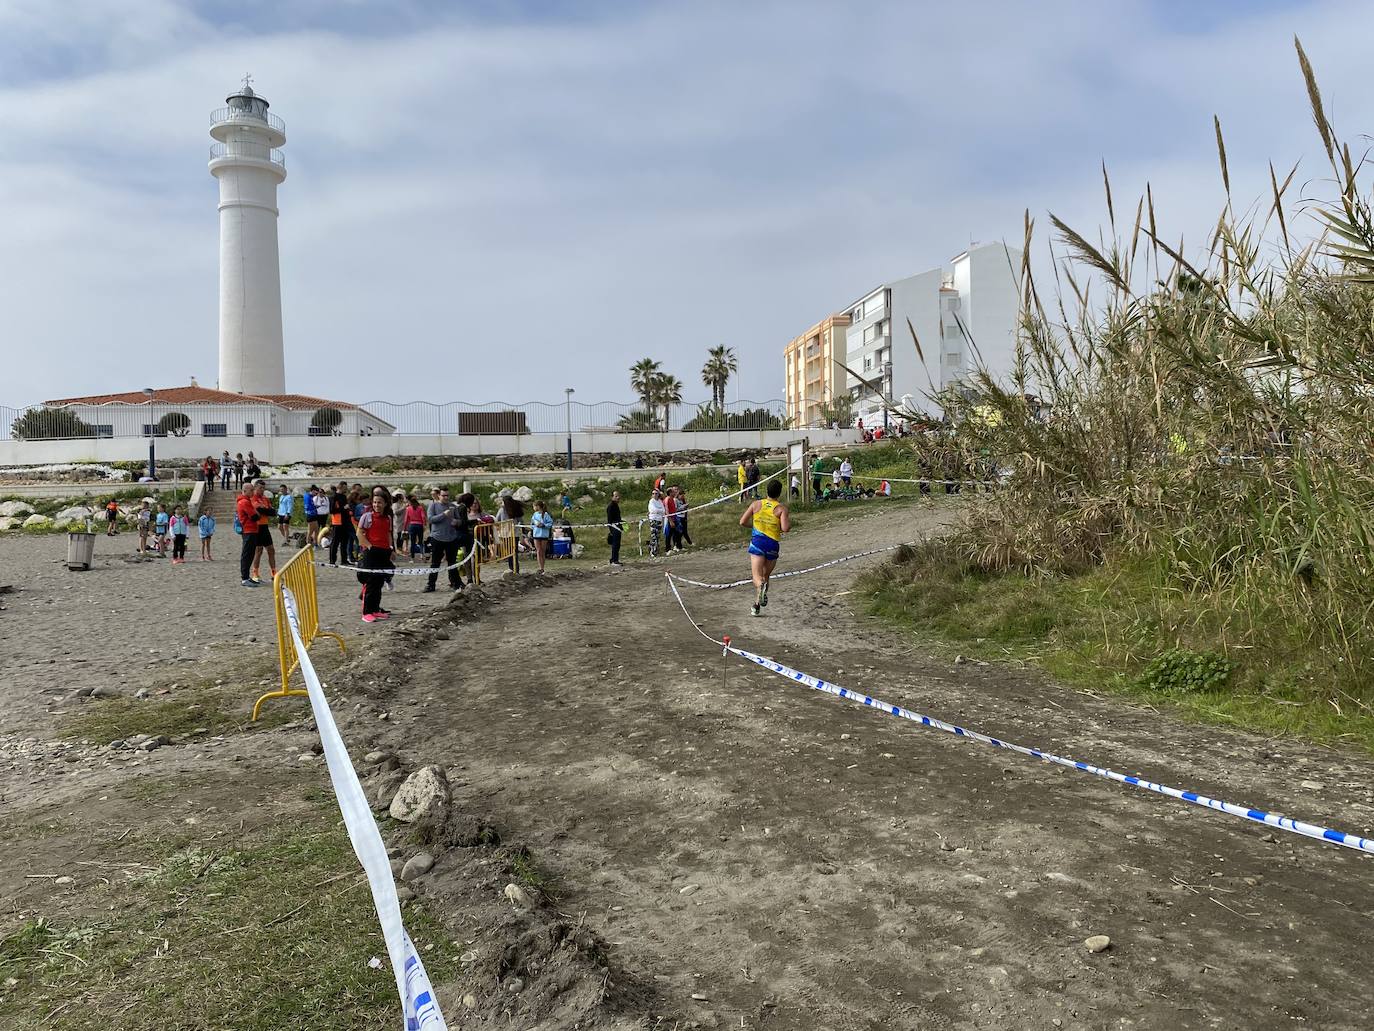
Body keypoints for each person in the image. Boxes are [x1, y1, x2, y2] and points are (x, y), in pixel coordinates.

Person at [739, 479, 791, 617]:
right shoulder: (781, 509)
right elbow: (785, 529)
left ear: (766, 490)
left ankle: (760, 589)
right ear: (779, 493)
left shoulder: (756, 504)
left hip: (758, 542)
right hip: (772, 544)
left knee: (757, 576)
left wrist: (754, 526)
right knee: (766, 575)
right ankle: (756, 605)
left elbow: (742, 521)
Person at [356, 487, 394, 622]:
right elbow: (359, 533)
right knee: (371, 583)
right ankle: (366, 612)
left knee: (379, 582)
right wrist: (369, 546)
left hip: (384, 552)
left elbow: (388, 533)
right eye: (375, 502)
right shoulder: (367, 517)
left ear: (385, 504)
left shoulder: (388, 518)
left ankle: (375, 609)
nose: (377, 505)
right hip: (371, 553)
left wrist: (391, 548)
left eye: (379, 502)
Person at [425, 487, 465, 593]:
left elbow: (460, 520)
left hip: (451, 538)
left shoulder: (453, 506)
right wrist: (443, 515)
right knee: (435, 563)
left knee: (452, 562)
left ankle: (455, 583)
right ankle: (431, 584)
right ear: (439, 495)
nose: (446, 497)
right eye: (444, 495)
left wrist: (456, 522)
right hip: (437, 538)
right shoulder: (433, 505)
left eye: (447, 495)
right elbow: (430, 519)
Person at [236, 484, 262, 587]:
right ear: (245, 490)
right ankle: (244, 578)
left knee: (250, 554)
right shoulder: (245, 502)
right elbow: (255, 516)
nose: (253, 492)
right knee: (247, 554)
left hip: (251, 530)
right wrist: (257, 512)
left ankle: (246, 577)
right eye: (251, 490)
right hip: (248, 530)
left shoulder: (246, 501)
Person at [530, 500, 554, 573]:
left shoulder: (546, 514)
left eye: (534, 506)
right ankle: (540, 567)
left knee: (542, 551)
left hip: (544, 535)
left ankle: (542, 567)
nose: (533, 508)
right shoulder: (534, 514)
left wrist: (543, 525)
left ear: (538, 506)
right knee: (538, 551)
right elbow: (531, 524)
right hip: (536, 534)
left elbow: (550, 523)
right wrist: (535, 526)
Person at [647, 488, 666, 557]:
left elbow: (663, 510)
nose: (654, 495)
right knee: (653, 536)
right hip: (653, 520)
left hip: (659, 520)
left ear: (658, 494)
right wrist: (659, 510)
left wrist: (658, 511)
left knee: (658, 536)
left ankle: (656, 550)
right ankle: (652, 551)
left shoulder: (660, 501)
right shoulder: (651, 501)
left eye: (656, 493)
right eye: (653, 494)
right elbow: (653, 510)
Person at [606, 491, 623, 565]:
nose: (618, 497)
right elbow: (609, 520)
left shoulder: (616, 505)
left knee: (617, 544)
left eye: (618, 496)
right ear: (612, 497)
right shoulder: (610, 506)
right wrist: (611, 531)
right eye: (616, 496)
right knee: (615, 544)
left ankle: (615, 559)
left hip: (618, 527)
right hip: (614, 528)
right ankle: (614, 560)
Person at [663, 488, 680, 553]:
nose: (674, 493)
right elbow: (667, 511)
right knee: (668, 534)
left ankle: (675, 546)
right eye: (673, 492)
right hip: (669, 519)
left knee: (676, 533)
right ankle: (667, 549)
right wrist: (670, 521)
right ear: (670, 493)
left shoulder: (672, 499)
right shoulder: (667, 499)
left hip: (674, 518)